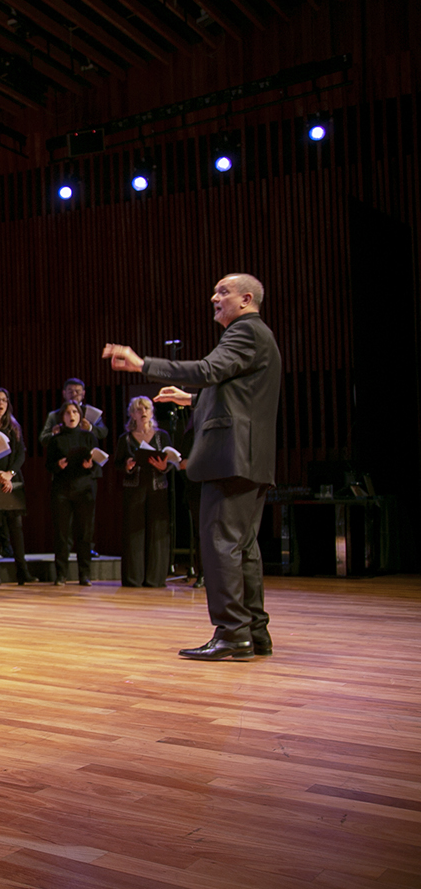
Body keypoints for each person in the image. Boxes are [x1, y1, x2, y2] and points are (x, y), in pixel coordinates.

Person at [104, 272, 281, 660]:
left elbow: (207, 370)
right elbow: (237, 394)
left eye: (223, 292)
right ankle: (254, 631)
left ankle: (233, 633)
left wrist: (141, 363)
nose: (213, 297)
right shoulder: (258, 337)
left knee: (220, 545)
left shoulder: (245, 332)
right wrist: (192, 401)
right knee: (243, 548)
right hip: (250, 457)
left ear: (247, 299)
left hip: (231, 457)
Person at [116, 396, 175, 588]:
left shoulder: (162, 435)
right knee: (134, 533)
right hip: (134, 489)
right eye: (138, 409)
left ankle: (155, 579)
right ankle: (134, 578)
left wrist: (164, 466)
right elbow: (117, 464)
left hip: (157, 487)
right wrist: (128, 465)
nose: (143, 413)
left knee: (157, 533)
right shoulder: (125, 438)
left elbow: (171, 461)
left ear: (151, 412)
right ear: (131, 414)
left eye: (147, 409)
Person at [0, 388, 34, 586]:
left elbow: (20, 454)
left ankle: (22, 570)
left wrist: (10, 473)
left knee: (16, 526)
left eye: (4, 400)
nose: (0, 404)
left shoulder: (14, 425)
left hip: (12, 479)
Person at [45, 401, 99, 585]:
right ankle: (61, 574)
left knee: (85, 533)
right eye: (67, 413)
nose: (71, 416)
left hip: (84, 489)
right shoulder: (56, 439)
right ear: (62, 417)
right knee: (62, 534)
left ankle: (85, 574)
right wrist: (58, 466)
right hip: (62, 489)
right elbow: (48, 466)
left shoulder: (89, 437)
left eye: (75, 412)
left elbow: (98, 465)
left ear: (80, 415)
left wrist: (90, 465)